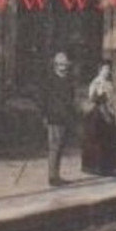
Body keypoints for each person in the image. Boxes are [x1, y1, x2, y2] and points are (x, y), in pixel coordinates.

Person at [39, 51, 77, 186]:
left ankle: (57, 174)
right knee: (54, 147)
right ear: (55, 65)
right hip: (54, 117)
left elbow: (71, 99)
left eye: (65, 64)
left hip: (65, 117)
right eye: (60, 64)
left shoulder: (68, 80)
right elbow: (43, 100)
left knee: (60, 146)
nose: (63, 67)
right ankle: (52, 177)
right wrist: (45, 115)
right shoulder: (50, 81)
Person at [80, 61, 116, 176]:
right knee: (99, 140)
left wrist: (112, 107)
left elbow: (112, 98)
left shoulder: (109, 83)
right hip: (98, 113)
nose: (107, 72)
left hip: (109, 111)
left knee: (110, 140)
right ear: (100, 70)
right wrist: (99, 94)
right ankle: (97, 166)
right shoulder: (96, 82)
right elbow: (91, 98)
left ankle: (111, 166)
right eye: (104, 69)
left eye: (108, 69)